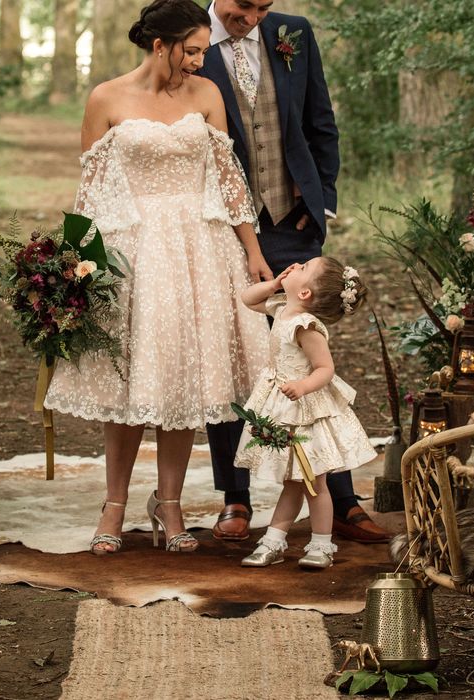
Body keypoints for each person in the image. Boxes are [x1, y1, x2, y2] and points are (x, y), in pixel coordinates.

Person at [44, 0, 271, 555]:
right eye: (191, 51)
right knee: (131, 383)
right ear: (160, 46)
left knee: (183, 380)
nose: (199, 60)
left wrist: (254, 253)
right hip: (133, 252)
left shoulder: (208, 95)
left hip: (199, 249)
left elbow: (228, 182)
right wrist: (75, 271)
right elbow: (90, 194)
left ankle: (169, 506)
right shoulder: (106, 97)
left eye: (201, 51)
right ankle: (114, 506)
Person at [198, 0, 389, 544]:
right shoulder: (188, 35)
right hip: (220, 228)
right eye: (243, 5)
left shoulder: (294, 34)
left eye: (264, 6)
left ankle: (342, 500)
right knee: (234, 358)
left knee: (306, 356)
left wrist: (321, 199)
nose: (253, 17)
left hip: (292, 220)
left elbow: (320, 122)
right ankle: (235, 498)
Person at [235, 257, 378, 568]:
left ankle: (322, 545)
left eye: (304, 268)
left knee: (314, 481)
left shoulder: (305, 326)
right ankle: (274, 541)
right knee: (293, 480)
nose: (295, 265)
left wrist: (302, 386)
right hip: (282, 408)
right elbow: (247, 299)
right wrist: (273, 285)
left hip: (305, 412)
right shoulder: (280, 308)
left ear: (304, 294)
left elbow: (325, 368)